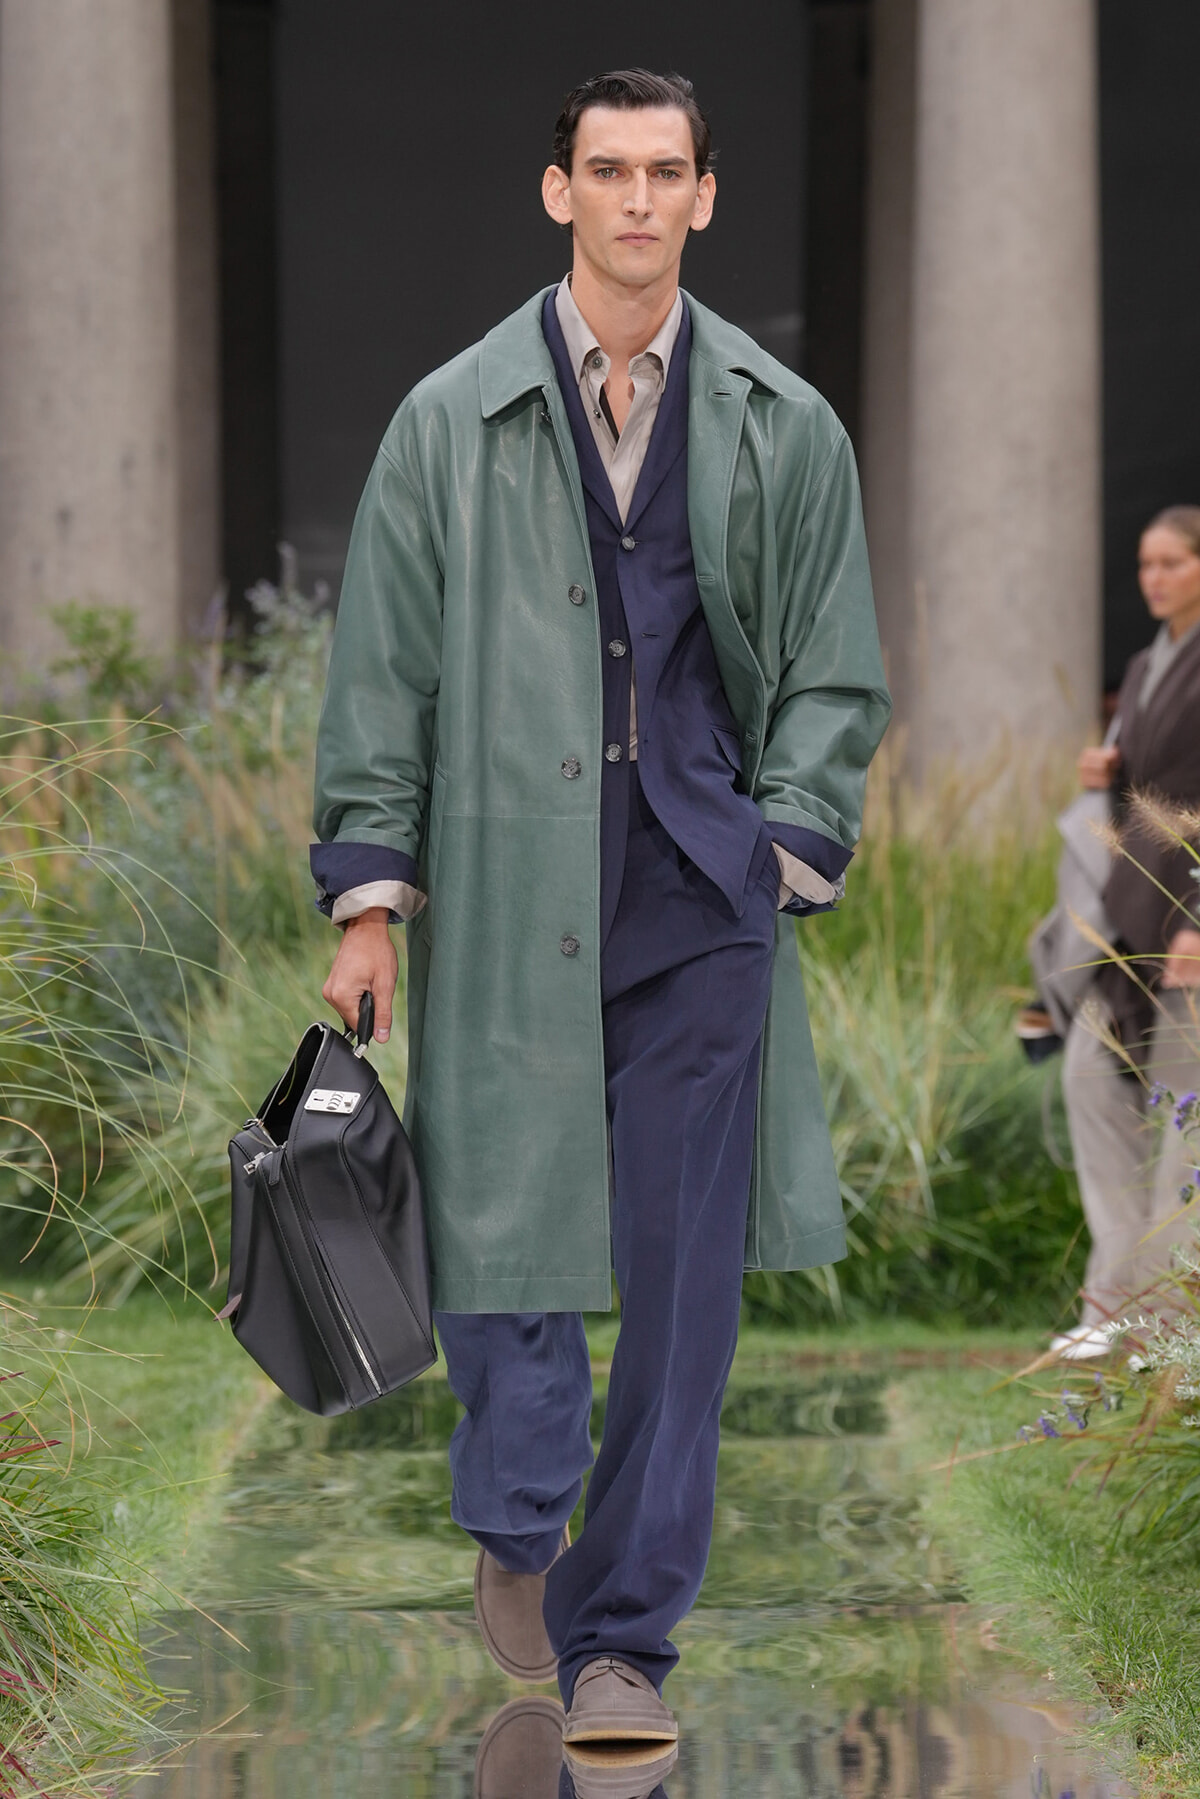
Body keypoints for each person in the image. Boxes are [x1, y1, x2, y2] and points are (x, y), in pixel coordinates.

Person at [309, 68, 890, 1769]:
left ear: (706, 199)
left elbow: (835, 665)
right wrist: (368, 898)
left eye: (666, 173)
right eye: (606, 170)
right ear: (556, 191)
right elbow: (385, 671)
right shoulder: (450, 419)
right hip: (505, 879)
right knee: (501, 1220)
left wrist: (782, 842)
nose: (637, 201)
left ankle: (625, 1627)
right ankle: (516, 1507)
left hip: (703, 895)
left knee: (683, 1276)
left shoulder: (786, 421)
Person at [1054, 506, 1200, 1359]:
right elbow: (1140, 802)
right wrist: (1100, 778)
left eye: (1172, 563)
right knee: (1089, 1074)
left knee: (1185, 1119)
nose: (1153, 578)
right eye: (1146, 563)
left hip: (1187, 929)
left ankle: (1166, 1318)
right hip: (1131, 921)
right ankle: (1116, 1299)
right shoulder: (1146, 664)